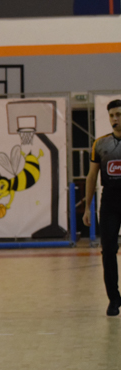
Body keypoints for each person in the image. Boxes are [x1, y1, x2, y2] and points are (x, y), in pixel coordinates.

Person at [84, 99, 121, 316]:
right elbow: (91, 176)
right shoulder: (100, 144)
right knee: (108, 251)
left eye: (119, 114)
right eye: (112, 115)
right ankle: (114, 299)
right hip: (110, 203)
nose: (115, 119)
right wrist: (87, 207)